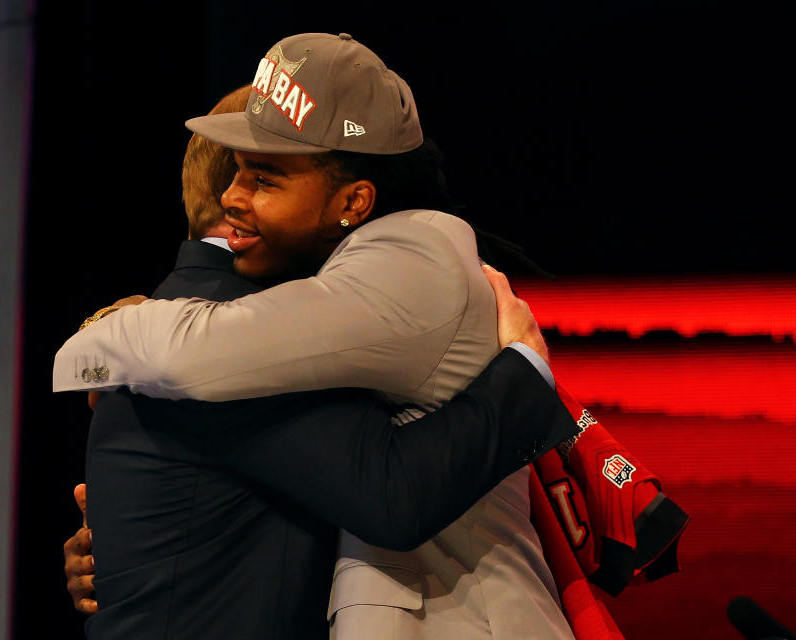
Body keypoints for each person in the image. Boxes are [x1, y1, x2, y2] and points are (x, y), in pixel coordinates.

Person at [56, 34, 576, 639]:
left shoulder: (392, 270)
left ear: (354, 201)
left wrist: (111, 327)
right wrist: (523, 376)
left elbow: (381, 497)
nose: (237, 195)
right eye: (242, 171)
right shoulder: (242, 339)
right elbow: (393, 495)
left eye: (265, 176)